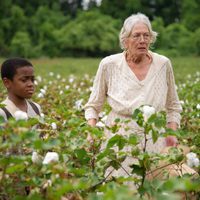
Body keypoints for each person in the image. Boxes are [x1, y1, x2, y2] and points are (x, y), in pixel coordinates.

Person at [84, 13, 182, 177]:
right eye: (136, 35)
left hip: (154, 138)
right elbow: (93, 106)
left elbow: (173, 106)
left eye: (146, 35)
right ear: (125, 40)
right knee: (120, 189)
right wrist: (91, 132)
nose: (142, 40)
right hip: (119, 141)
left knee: (153, 188)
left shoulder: (163, 64)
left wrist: (172, 135)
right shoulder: (109, 65)